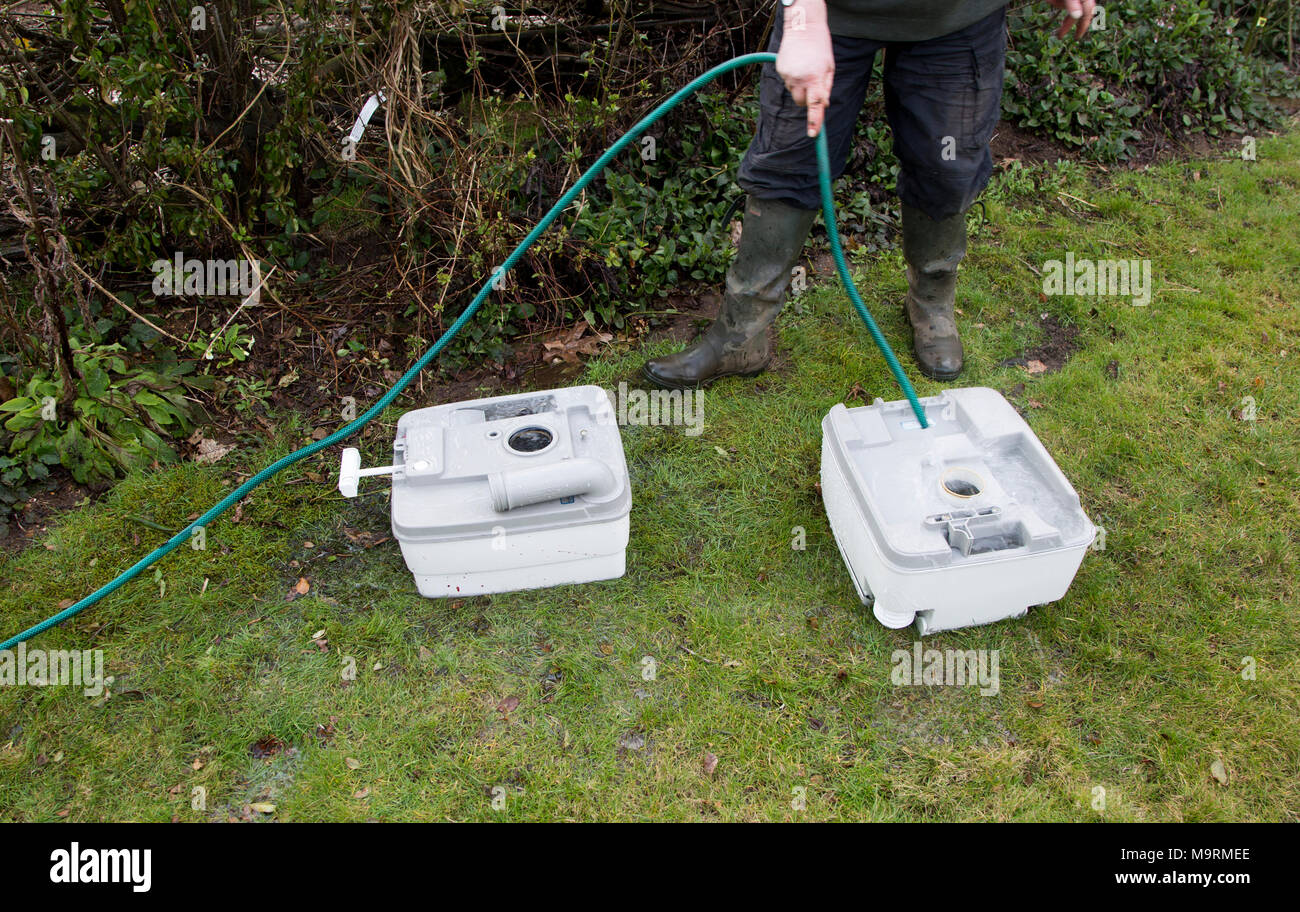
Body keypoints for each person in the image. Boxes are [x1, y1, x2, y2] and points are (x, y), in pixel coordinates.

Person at [643, 0, 1096, 388]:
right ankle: (740, 334)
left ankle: (932, 305)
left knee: (945, 167)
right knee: (788, 163)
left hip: (958, 18)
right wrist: (802, 14)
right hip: (831, 16)